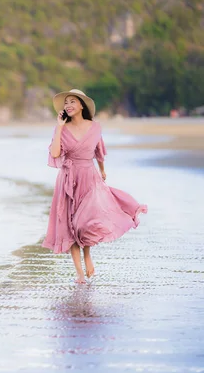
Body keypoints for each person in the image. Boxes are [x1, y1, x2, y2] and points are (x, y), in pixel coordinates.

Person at [42, 89, 147, 284]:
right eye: (66, 103)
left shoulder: (95, 127)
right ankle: (79, 273)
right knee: (69, 225)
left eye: (72, 101)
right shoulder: (62, 129)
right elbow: (55, 154)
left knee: (85, 222)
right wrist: (58, 127)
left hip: (89, 177)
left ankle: (87, 255)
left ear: (82, 105)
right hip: (67, 178)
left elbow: (99, 151)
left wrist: (103, 170)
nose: (68, 105)